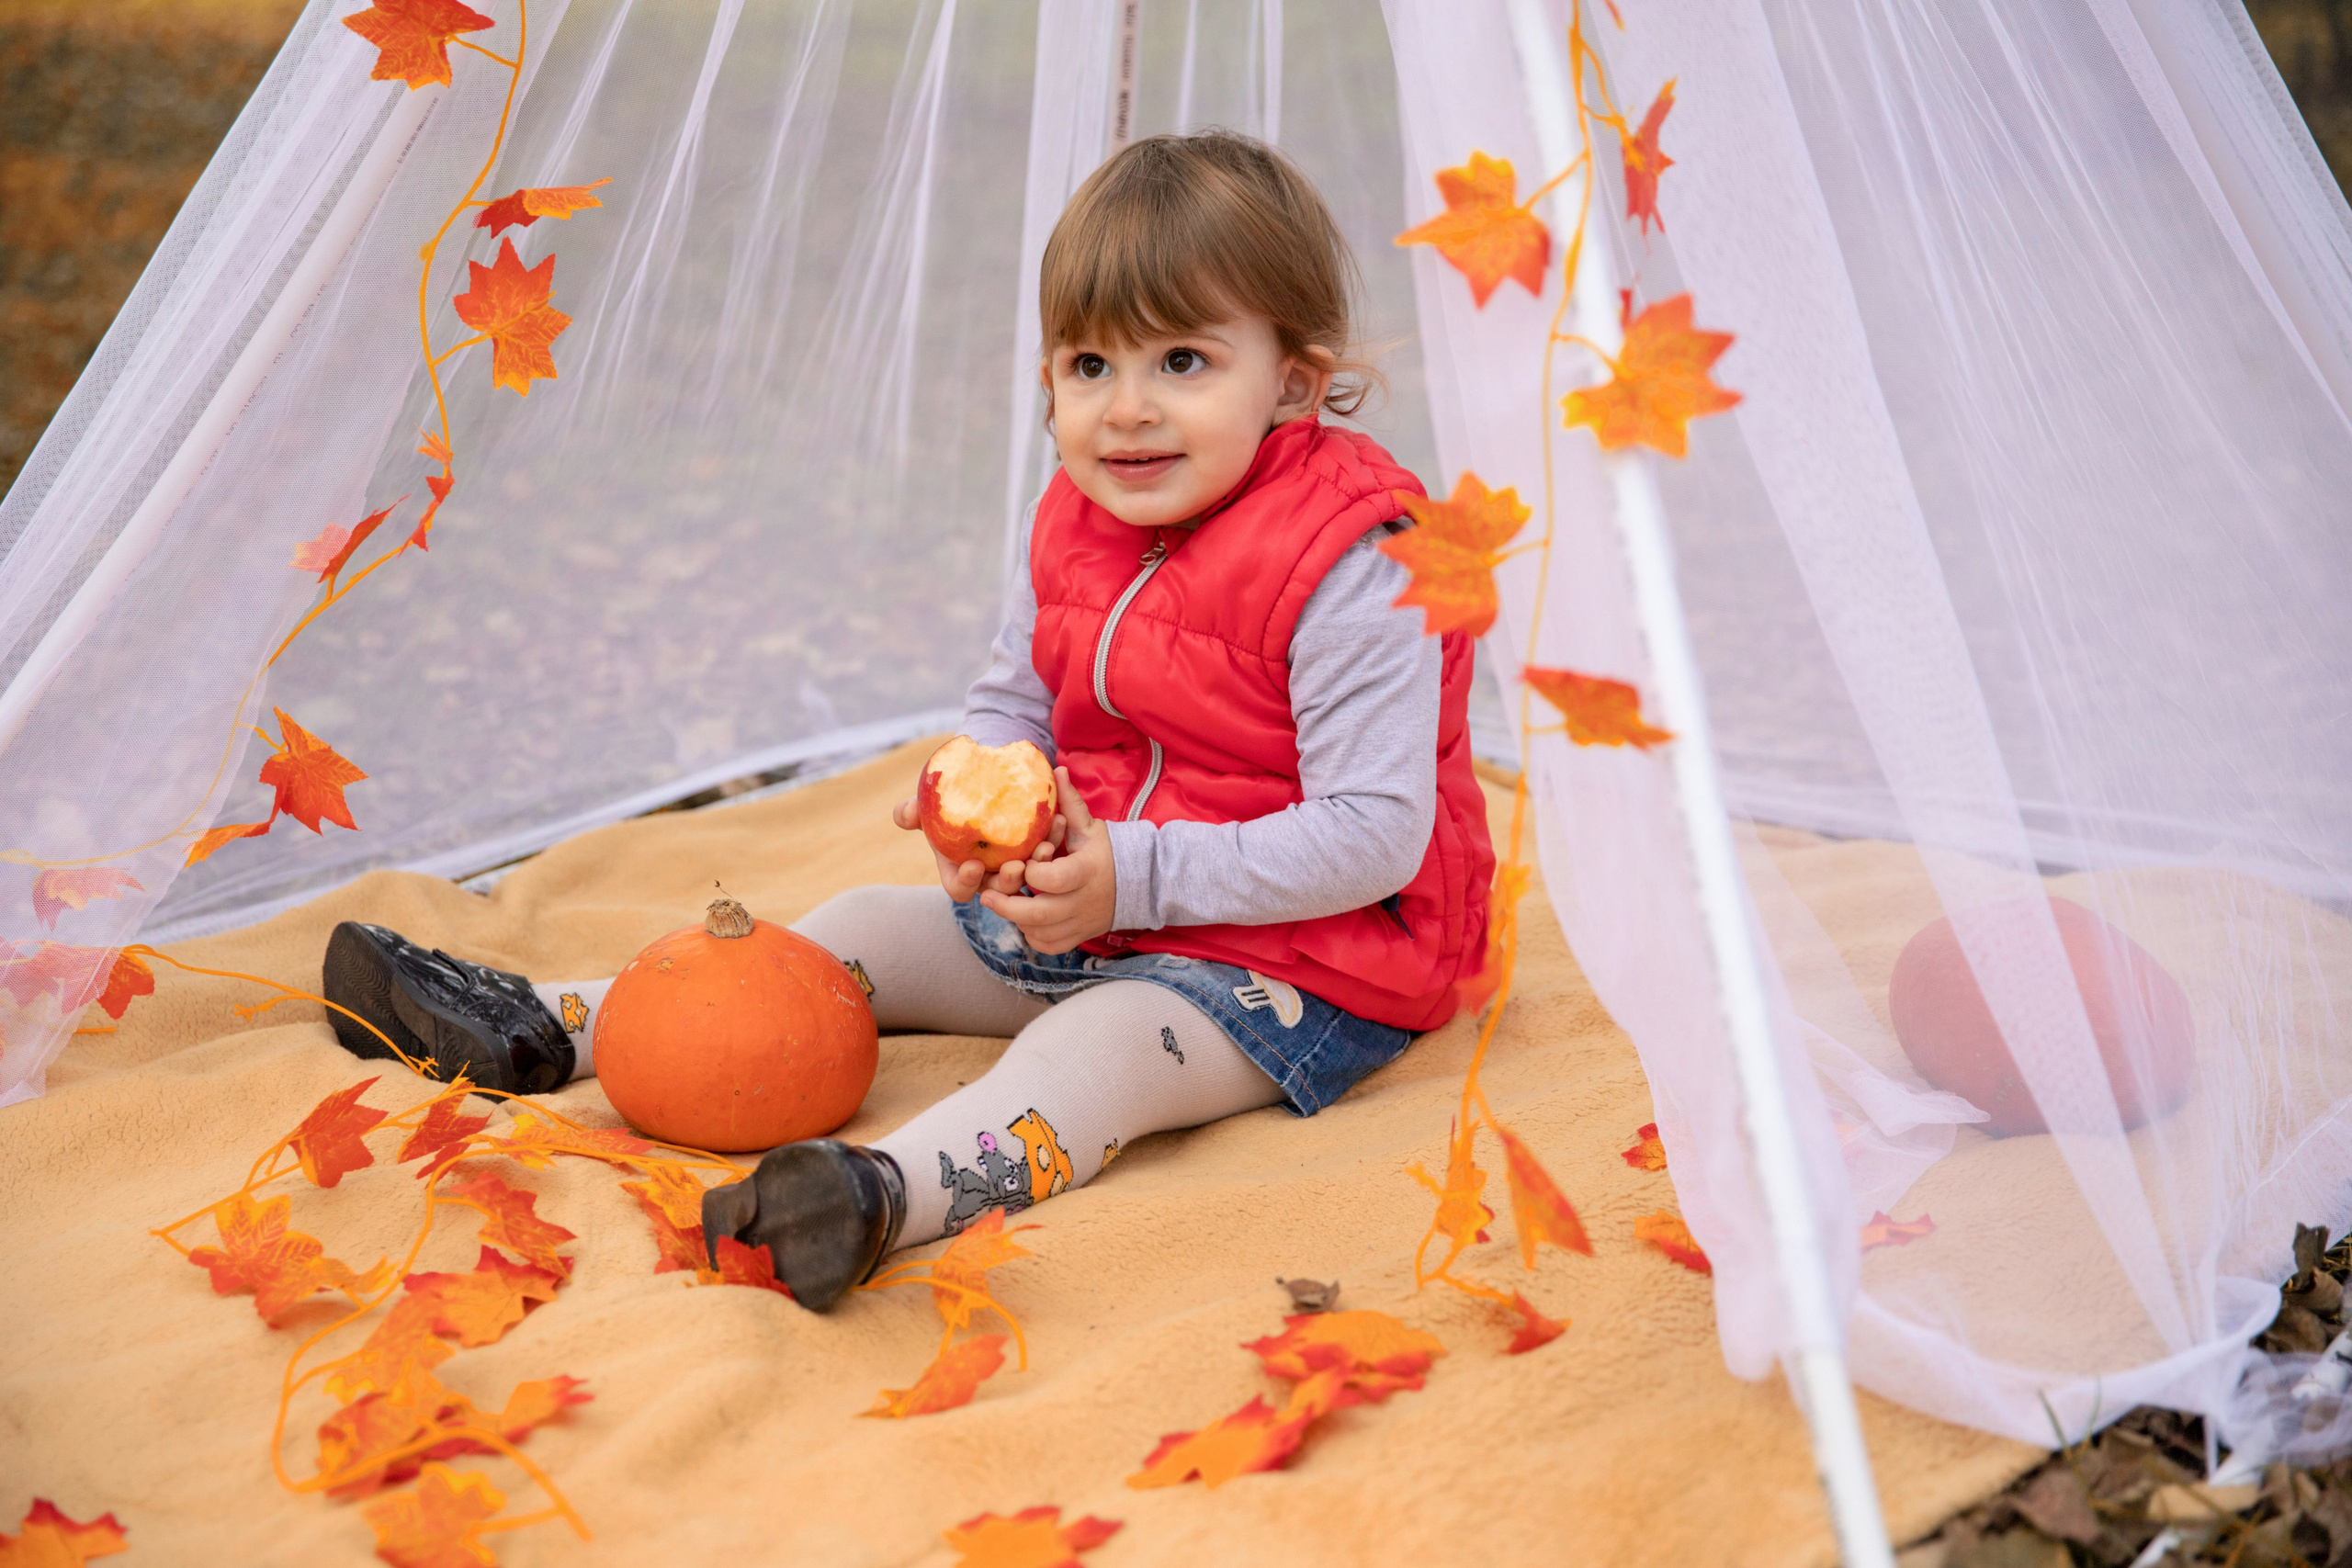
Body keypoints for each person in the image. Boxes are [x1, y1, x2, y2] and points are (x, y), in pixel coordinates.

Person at [322, 130, 1494, 1310]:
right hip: (1093, 907)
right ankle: (548, 1027)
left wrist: (1130, 877)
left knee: (1101, 1056)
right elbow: (1017, 694)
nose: (1125, 411)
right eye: (1089, 365)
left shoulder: (1362, 561)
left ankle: (880, 1194)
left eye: (1181, 361)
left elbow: (1371, 834)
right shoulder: (1083, 511)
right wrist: (978, 790)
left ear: (1291, 381)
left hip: (1305, 962)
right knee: (857, 932)